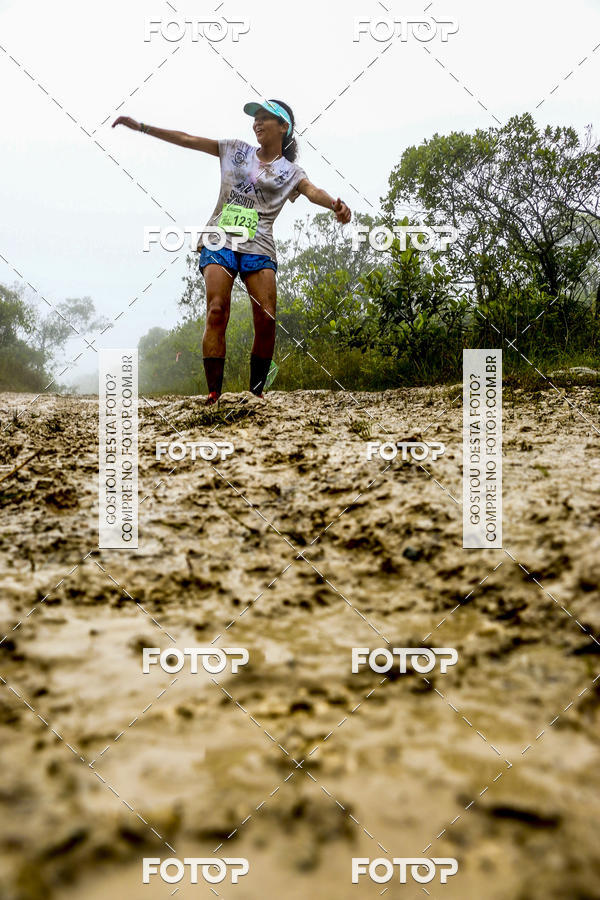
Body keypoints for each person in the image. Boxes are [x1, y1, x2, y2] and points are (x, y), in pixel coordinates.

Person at [113, 99, 352, 404]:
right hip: (220, 240)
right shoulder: (235, 150)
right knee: (217, 309)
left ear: (284, 126)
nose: (257, 122)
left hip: (259, 246)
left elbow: (312, 190)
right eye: (255, 118)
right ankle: (214, 394)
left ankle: (256, 393)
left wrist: (335, 204)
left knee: (266, 317)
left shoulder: (291, 172)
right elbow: (188, 139)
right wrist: (143, 127)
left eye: (265, 117)